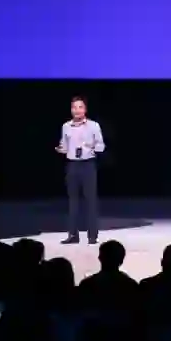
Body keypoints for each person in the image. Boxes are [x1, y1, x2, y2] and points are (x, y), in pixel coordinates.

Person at [56, 97, 105, 244]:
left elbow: (101, 145)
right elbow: (64, 145)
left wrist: (91, 147)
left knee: (91, 201)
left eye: (80, 107)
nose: (77, 110)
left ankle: (92, 236)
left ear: (85, 109)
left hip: (88, 164)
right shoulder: (66, 126)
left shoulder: (93, 126)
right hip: (72, 165)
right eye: (74, 107)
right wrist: (61, 149)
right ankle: (73, 235)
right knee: (73, 201)